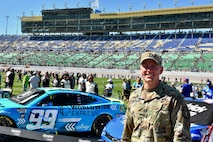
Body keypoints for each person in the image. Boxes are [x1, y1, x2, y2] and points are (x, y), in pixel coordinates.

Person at [121, 52, 191, 142]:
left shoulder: (173, 97)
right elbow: (127, 132)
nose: (149, 70)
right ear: (140, 69)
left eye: (154, 66)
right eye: (145, 66)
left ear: (161, 70)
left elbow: (182, 136)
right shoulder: (134, 96)